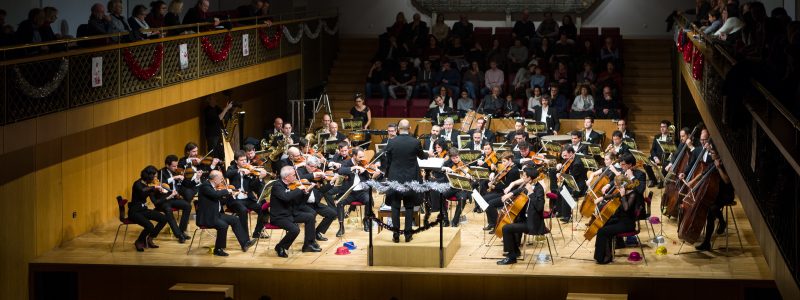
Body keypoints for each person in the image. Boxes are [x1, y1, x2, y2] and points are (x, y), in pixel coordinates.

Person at [594, 153, 646, 264]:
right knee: (604, 223)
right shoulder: (624, 174)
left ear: (630, 164)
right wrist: (605, 192)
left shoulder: (639, 175)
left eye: (623, 165)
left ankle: (604, 257)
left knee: (604, 230)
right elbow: (616, 184)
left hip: (631, 211)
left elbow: (640, 190)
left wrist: (631, 177)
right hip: (623, 211)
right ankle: (609, 251)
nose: (621, 168)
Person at [385, 119, 428, 242]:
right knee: (409, 206)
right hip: (410, 178)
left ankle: (396, 235)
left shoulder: (391, 142)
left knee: (395, 206)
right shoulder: (415, 142)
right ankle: (408, 235)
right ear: (409, 129)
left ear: (398, 129)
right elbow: (421, 156)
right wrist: (428, 154)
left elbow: (388, 161)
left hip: (395, 178)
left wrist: (387, 176)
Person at [197, 170, 257, 256]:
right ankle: (218, 249)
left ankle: (245, 243)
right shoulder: (205, 186)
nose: (222, 180)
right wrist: (227, 191)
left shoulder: (215, 187)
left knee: (234, 219)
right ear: (214, 179)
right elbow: (215, 195)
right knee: (223, 225)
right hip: (207, 217)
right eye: (221, 178)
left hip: (216, 214)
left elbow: (221, 201)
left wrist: (232, 195)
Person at [496, 166, 546, 265]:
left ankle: (511, 257)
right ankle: (515, 252)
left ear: (530, 178)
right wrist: (509, 194)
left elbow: (540, 207)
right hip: (525, 219)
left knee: (506, 228)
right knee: (511, 223)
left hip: (533, 223)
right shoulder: (528, 184)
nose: (522, 178)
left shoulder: (539, 189)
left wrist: (531, 193)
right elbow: (519, 190)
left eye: (524, 176)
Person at [270, 166, 320, 257]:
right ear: (286, 177)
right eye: (293, 175)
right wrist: (298, 189)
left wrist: (306, 192)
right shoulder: (277, 186)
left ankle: (308, 244)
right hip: (279, 216)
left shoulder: (291, 185)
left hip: (290, 213)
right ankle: (280, 246)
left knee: (310, 217)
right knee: (295, 230)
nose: (296, 177)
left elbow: (299, 203)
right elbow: (286, 197)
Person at [695, 143, 733, 251]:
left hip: (726, 195)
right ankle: (707, 241)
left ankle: (708, 240)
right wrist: (693, 183)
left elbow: (726, 180)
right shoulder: (712, 163)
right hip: (716, 193)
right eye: (711, 152)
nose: (711, 154)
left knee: (711, 210)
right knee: (709, 208)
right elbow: (703, 174)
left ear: (718, 154)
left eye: (713, 153)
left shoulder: (725, 164)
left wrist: (719, 167)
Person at [225, 150, 270, 239]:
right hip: (235, 199)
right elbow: (227, 174)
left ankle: (257, 232)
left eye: (245, 160)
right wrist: (239, 170)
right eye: (241, 160)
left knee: (264, 209)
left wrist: (259, 178)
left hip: (248, 198)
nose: (244, 162)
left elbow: (253, 186)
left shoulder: (250, 169)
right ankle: (245, 238)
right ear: (236, 161)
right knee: (243, 211)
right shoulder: (231, 168)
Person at [335, 147, 380, 236]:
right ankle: (341, 227)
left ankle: (366, 220)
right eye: (360, 157)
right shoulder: (346, 163)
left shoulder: (364, 164)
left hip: (362, 191)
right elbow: (340, 170)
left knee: (369, 200)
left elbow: (369, 178)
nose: (362, 159)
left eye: (363, 156)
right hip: (349, 192)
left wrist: (374, 175)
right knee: (340, 202)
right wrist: (354, 167)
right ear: (354, 156)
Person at [296, 155, 339, 241]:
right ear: (307, 165)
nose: (315, 169)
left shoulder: (317, 175)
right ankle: (309, 241)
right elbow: (299, 179)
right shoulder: (299, 171)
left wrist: (330, 183)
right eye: (313, 167)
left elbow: (320, 191)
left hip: (314, 202)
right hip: (303, 203)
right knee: (312, 214)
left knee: (332, 213)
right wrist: (313, 174)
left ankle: (317, 232)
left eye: (316, 167)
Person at [129, 166, 169, 251]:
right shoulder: (137, 184)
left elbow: (155, 201)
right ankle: (139, 241)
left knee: (164, 219)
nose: (156, 178)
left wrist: (163, 194)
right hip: (134, 211)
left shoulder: (149, 185)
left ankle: (150, 238)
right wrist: (154, 188)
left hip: (143, 210)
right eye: (155, 176)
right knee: (149, 226)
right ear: (149, 176)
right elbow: (143, 190)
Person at [158, 155, 193, 243]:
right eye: (173, 166)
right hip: (164, 199)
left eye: (176, 165)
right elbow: (162, 183)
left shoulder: (176, 172)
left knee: (187, 206)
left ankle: (182, 231)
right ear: (167, 165)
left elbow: (181, 185)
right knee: (169, 212)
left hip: (174, 198)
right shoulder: (161, 172)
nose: (176, 168)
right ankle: (179, 235)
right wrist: (174, 178)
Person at [551, 147, 588, 223]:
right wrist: (560, 165)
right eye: (563, 155)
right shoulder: (570, 159)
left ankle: (567, 216)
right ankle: (560, 211)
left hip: (579, 185)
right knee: (559, 190)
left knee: (565, 191)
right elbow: (567, 172)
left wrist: (561, 175)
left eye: (565, 155)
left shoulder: (577, 163)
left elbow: (572, 177)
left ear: (571, 153)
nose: (564, 157)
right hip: (572, 181)